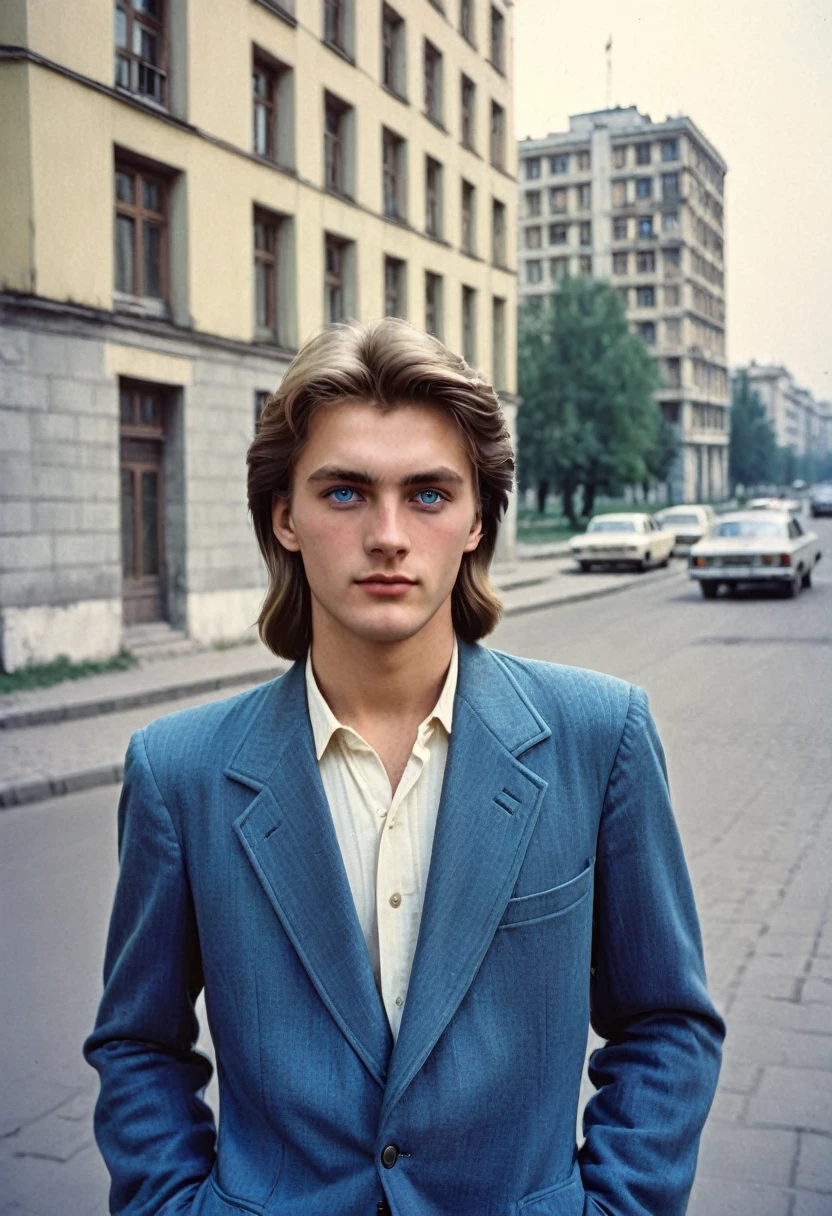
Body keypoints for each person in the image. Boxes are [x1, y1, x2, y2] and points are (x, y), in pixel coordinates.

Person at [85, 318, 724, 1216]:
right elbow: (139, 1044)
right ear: (285, 517)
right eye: (345, 493)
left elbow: (666, 1023)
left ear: (475, 521)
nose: (388, 535)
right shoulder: (179, 772)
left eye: (428, 495)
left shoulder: (598, 734)